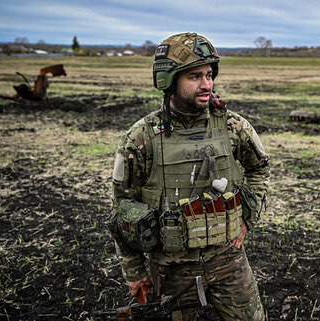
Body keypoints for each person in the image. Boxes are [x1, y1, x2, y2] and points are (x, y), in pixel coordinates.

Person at [109, 32, 270, 321]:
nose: (207, 84)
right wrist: (133, 271)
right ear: (169, 81)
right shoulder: (141, 137)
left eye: (209, 75)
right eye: (195, 76)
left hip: (228, 261)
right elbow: (123, 207)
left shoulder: (233, 126)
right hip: (172, 270)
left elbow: (260, 168)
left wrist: (248, 216)